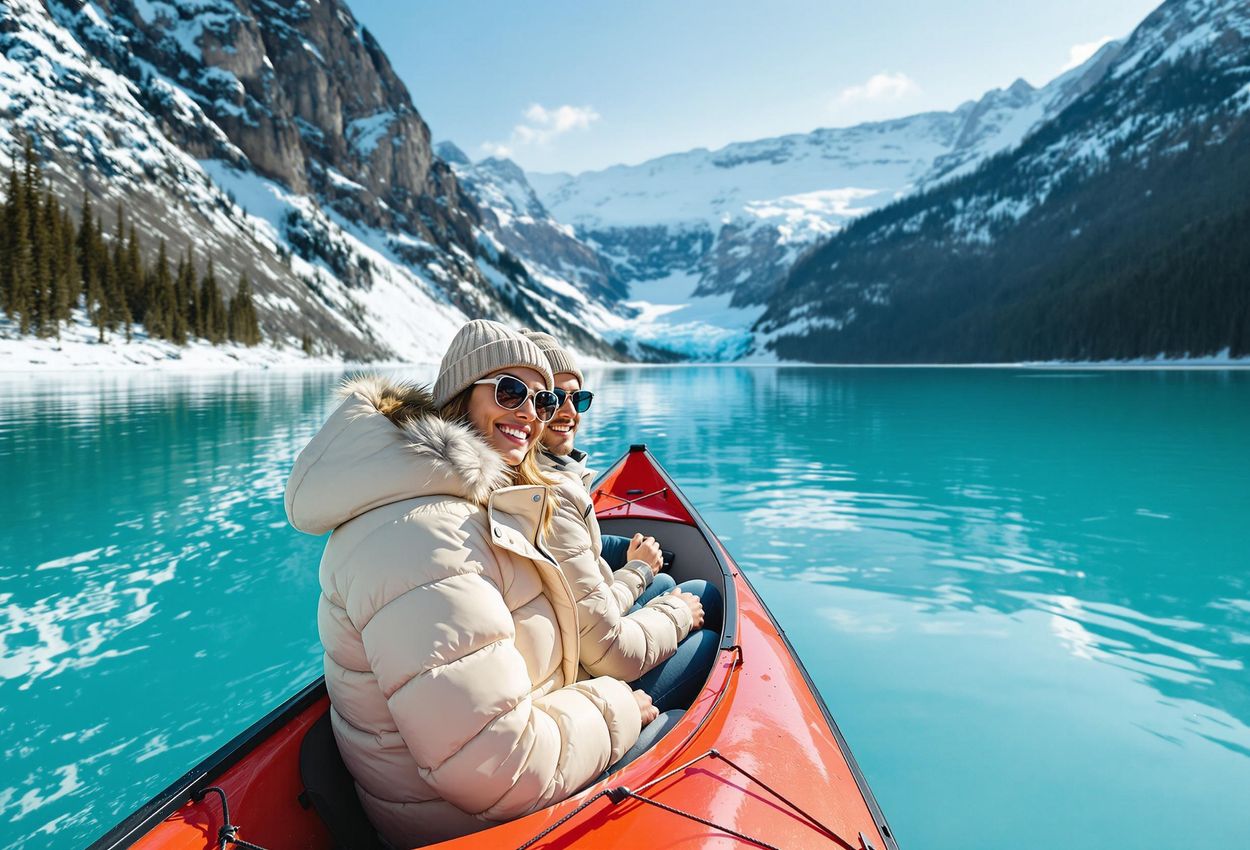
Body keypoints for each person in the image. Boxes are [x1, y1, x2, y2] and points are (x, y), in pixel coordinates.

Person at [285, 320, 653, 848]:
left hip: (481, 780)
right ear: (460, 395)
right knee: (701, 662)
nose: (530, 412)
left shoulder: (458, 503)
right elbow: (496, 769)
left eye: (543, 400)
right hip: (466, 824)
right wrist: (617, 705)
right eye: (510, 390)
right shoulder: (422, 535)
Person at [520, 330, 722, 769]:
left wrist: (636, 566)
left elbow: (581, 562)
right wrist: (642, 579)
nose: (570, 412)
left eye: (580, 399)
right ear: (528, 409)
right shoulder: (543, 495)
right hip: (579, 677)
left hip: (572, 658)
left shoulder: (544, 481)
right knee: (703, 609)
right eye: (553, 399)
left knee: (668, 579)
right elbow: (607, 650)